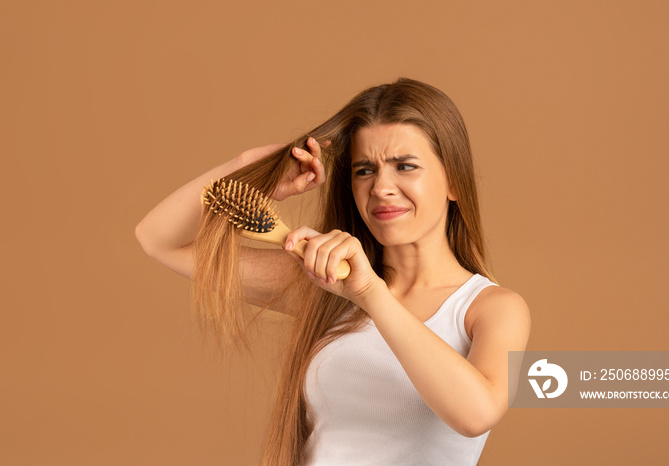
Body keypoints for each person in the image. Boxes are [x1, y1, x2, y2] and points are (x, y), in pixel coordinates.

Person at [135, 77, 530, 466]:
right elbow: (158, 239)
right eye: (364, 170)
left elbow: (475, 415)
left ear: (454, 182)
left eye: (405, 166)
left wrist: (370, 293)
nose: (381, 188)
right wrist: (246, 170)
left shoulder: (491, 308)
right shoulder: (323, 283)